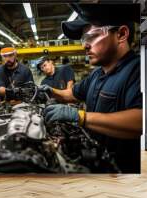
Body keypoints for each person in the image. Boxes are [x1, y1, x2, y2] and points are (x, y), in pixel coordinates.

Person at [40, 4, 141, 173]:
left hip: (122, 172)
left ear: (121, 34)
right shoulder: (97, 74)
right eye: (83, 39)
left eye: (92, 36)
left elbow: (140, 121)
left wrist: (80, 116)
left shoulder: (137, 69)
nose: (84, 46)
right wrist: (50, 91)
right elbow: (71, 94)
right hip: (96, 164)